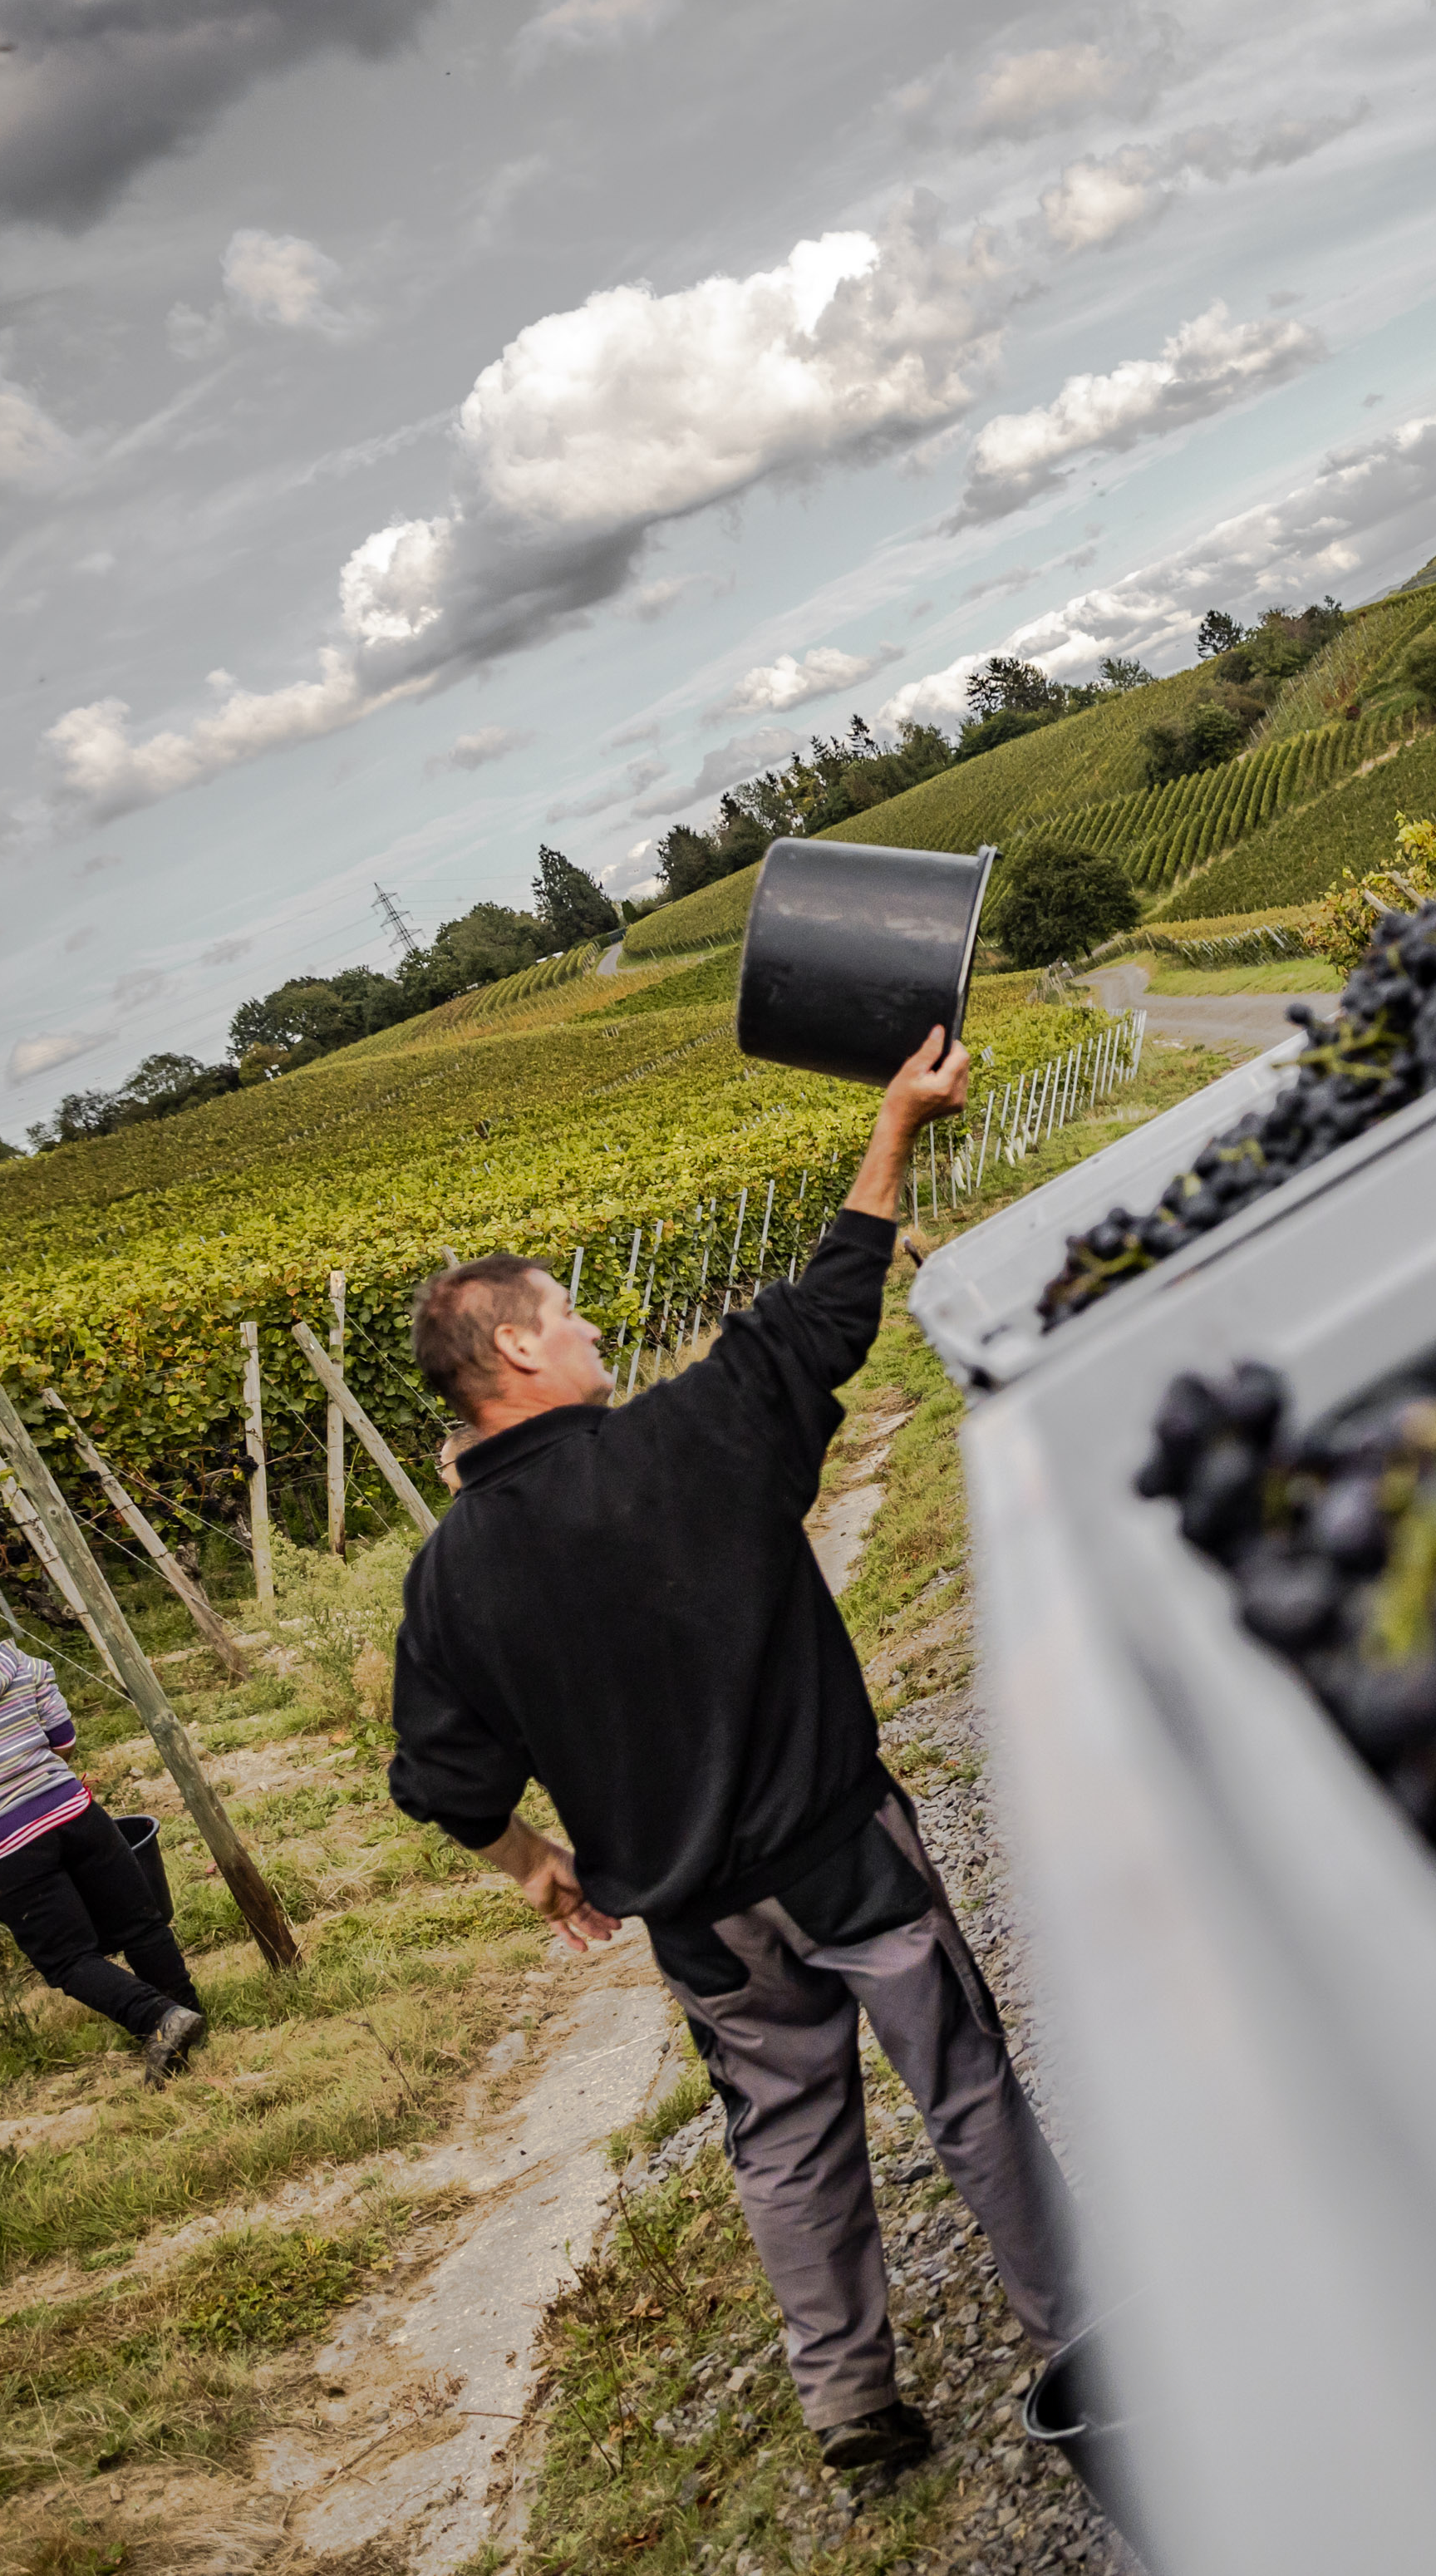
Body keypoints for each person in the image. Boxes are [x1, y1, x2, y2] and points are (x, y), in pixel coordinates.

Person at [390, 1027, 1075, 2476]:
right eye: (564, 1315)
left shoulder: (448, 1576)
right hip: (840, 1857)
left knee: (782, 2140)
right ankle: (1085, 2332)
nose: (585, 1332)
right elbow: (827, 1308)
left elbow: (442, 1782)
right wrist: (895, 1121)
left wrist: (536, 1868)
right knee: (961, 2079)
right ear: (514, 1346)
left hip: (701, 1922)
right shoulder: (689, 1439)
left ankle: (857, 2417)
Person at [0, 1563, 207, 2081]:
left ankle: (160, 2017)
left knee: (69, 1960)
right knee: (140, 1924)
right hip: (74, 1811)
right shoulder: (19, 1661)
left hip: (3, 1845)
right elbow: (63, 1740)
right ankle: (188, 2013)